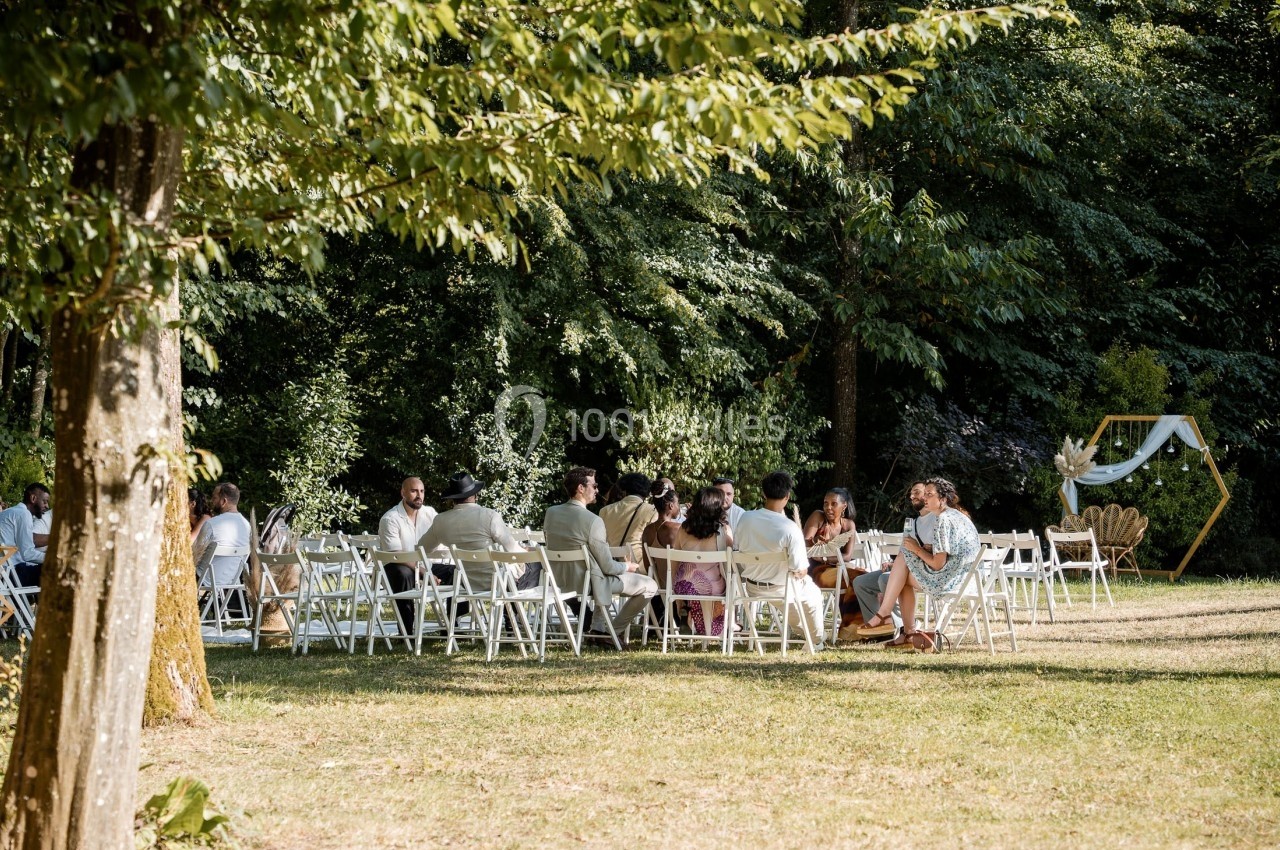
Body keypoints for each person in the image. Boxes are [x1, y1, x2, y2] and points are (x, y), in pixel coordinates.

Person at [859, 476, 980, 649]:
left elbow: (937, 564)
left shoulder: (943, 520)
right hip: (969, 580)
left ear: (943, 499)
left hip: (952, 582)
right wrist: (922, 549)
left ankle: (889, 618)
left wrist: (917, 549)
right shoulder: (956, 515)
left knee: (904, 560)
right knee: (904, 564)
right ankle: (903, 629)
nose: (925, 498)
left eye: (929, 494)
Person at [543, 466, 657, 645]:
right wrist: (627, 567)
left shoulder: (551, 513)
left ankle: (598, 627)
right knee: (650, 585)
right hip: (587, 582)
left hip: (559, 581)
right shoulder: (592, 520)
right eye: (594, 486)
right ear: (581, 488)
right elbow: (608, 567)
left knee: (601, 574)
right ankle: (613, 631)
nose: (597, 490)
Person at [734, 470, 826, 645]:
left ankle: (811, 637)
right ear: (787, 496)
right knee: (814, 595)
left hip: (752, 586)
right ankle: (816, 640)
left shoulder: (745, 518)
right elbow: (800, 569)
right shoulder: (790, 528)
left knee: (799, 605)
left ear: (763, 493)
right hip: (782, 589)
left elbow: (738, 549)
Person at [418, 472, 535, 588]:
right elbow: (513, 551)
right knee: (538, 565)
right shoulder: (489, 516)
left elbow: (421, 549)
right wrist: (527, 551)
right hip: (499, 582)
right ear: (474, 495)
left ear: (453, 498)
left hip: (466, 584)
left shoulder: (440, 521)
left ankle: (509, 606)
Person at [851, 481, 934, 640]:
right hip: (904, 568)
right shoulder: (913, 523)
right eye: (911, 494)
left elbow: (932, 554)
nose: (911, 496)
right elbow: (904, 551)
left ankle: (902, 626)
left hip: (920, 572)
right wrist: (893, 564)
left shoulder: (936, 520)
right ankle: (881, 631)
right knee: (860, 583)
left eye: (916, 492)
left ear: (928, 494)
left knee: (885, 578)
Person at [376, 477, 441, 632]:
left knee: (456, 573)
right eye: (414, 491)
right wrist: (425, 573)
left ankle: (452, 626)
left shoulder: (429, 513)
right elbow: (396, 554)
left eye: (422, 491)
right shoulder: (390, 519)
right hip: (398, 566)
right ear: (403, 493)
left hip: (425, 566)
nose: (419, 495)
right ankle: (406, 630)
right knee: (403, 573)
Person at [670, 487, 732, 636]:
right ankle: (723, 626)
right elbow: (729, 563)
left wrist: (673, 584)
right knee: (727, 583)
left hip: (683, 586)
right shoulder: (723, 530)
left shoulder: (683, 528)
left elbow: (675, 560)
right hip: (710, 587)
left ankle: (684, 608)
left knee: (688, 581)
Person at [191, 482, 252, 589]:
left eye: (214, 497)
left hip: (204, 579)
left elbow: (194, 554)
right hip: (230, 582)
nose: (211, 501)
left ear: (223, 501)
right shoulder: (247, 526)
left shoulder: (212, 524)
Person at [803, 487, 858, 583]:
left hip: (837, 569)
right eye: (826, 503)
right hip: (815, 570)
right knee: (849, 581)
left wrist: (823, 558)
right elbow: (803, 546)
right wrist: (815, 541)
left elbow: (847, 556)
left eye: (834, 504)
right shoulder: (818, 516)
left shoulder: (849, 525)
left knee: (859, 578)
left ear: (844, 506)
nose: (828, 507)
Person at [0, 483, 51, 588]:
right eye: (45, 502)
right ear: (33, 498)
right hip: (12, 575)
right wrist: (54, 558)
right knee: (59, 569)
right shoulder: (24, 514)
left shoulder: (8, 512)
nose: (47, 506)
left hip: (4, 575)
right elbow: (27, 553)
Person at [599, 472, 657, 559]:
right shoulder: (652, 511)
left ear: (624, 489)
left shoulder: (605, 511)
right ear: (647, 491)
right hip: (637, 565)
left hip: (610, 563)